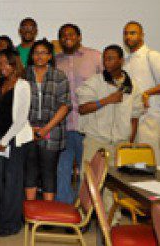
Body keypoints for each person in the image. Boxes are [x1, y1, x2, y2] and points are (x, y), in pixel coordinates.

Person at [77, 44, 144, 223]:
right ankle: (84, 218)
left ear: (121, 60)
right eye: (105, 58)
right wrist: (107, 100)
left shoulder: (132, 86)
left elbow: (135, 117)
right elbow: (82, 108)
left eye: (111, 58)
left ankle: (111, 221)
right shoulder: (95, 81)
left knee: (114, 185)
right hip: (96, 140)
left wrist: (129, 143)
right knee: (90, 181)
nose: (106, 62)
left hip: (120, 143)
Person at [54, 23, 103, 204]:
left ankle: (87, 209)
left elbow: (109, 84)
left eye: (71, 34)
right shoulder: (55, 61)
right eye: (63, 35)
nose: (67, 37)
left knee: (88, 171)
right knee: (62, 169)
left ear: (79, 37)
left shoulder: (95, 57)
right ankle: (64, 210)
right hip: (64, 125)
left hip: (89, 126)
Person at [0, 49, 32, 236]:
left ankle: (10, 224)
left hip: (15, 141)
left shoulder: (23, 85)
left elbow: (21, 119)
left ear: (15, 64)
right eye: (0, 63)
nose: (2, 67)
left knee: (12, 182)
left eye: (6, 63)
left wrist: (4, 141)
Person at [123, 21, 160, 164]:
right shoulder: (127, 61)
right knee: (132, 166)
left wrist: (146, 93)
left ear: (142, 35)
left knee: (148, 165)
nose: (128, 36)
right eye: (125, 33)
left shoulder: (152, 55)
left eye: (132, 33)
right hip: (132, 121)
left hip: (150, 119)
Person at [24, 39, 70, 201]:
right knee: (30, 171)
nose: (39, 56)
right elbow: (18, 106)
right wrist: (29, 128)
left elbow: (65, 106)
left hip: (52, 130)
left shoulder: (59, 76)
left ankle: (47, 213)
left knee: (48, 172)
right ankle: (30, 213)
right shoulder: (23, 75)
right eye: (36, 53)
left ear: (50, 56)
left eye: (44, 52)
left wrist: (45, 129)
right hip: (27, 131)